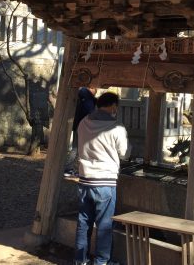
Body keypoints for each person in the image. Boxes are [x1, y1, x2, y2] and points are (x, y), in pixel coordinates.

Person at [74, 91, 128, 265]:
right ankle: (102, 262)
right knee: (104, 225)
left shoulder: (83, 123)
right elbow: (125, 154)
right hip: (105, 182)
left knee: (83, 223)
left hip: (85, 179)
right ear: (113, 106)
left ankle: (80, 260)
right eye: (116, 107)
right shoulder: (117, 127)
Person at [65, 87, 96, 176]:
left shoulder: (81, 98)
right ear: (91, 90)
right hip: (85, 128)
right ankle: (74, 168)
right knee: (80, 149)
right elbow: (89, 114)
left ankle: (70, 168)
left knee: (76, 148)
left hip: (78, 126)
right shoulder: (88, 100)